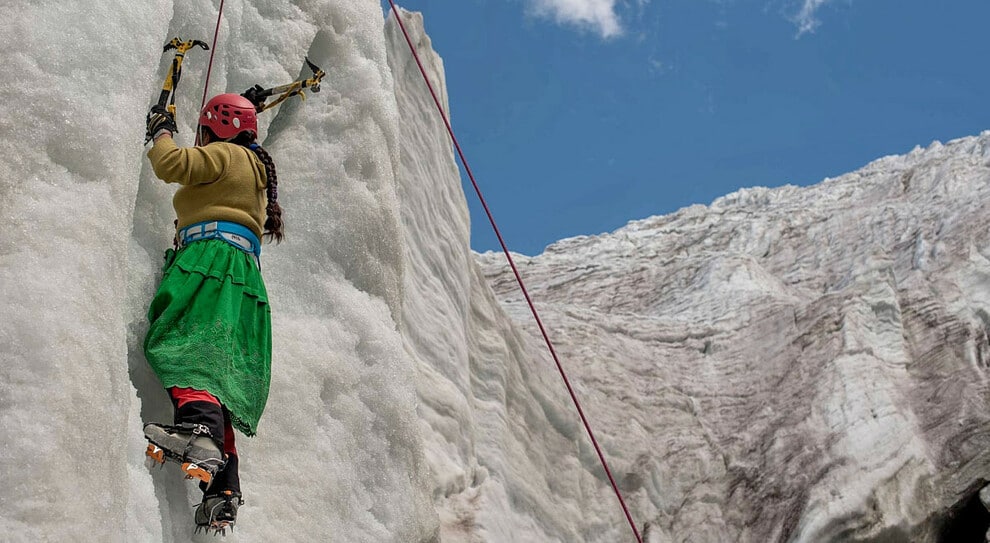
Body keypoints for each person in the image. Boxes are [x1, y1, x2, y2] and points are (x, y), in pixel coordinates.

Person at [142, 92, 282, 534]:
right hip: (244, 280)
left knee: (184, 345)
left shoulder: (224, 154)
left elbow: (171, 166)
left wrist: (161, 131)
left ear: (216, 129)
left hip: (211, 263)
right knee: (216, 376)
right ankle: (223, 487)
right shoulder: (257, 170)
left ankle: (198, 433)